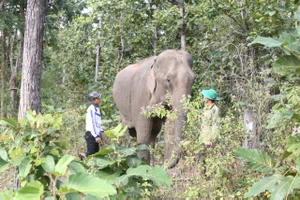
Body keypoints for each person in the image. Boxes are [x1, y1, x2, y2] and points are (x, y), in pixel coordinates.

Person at [85, 91, 105, 157]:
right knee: (91, 153)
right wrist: (96, 136)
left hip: (96, 134)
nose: (99, 99)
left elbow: (98, 122)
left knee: (96, 153)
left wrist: (101, 131)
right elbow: (92, 123)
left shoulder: (97, 108)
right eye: (98, 98)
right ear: (93, 100)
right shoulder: (91, 109)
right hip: (91, 134)